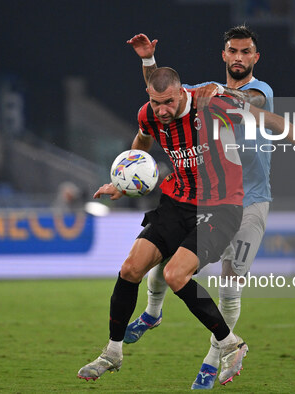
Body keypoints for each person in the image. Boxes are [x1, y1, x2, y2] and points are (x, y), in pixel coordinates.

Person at [125, 26, 295, 389]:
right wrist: (149, 61)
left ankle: (214, 358)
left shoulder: (258, 92)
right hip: (207, 196)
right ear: (224, 55)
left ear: (255, 58)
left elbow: (257, 108)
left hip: (250, 201)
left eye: (246, 52)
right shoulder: (204, 94)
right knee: (164, 260)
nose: (239, 57)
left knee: (230, 284)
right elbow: (163, 94)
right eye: (233, 51)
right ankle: (151, 313)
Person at [78, 67, 250, 386]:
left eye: (168, 102)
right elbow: (142, 140)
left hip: (221, 206)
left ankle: (231, 344)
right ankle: (113, 352)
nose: (162, 110)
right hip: (177, 201)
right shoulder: (150, 115)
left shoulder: (208, 105)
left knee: (174, 274)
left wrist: (225, 93)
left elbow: (252, 108)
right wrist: (123, 183)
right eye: (156, 103)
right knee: (130, 269)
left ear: (182, 92)